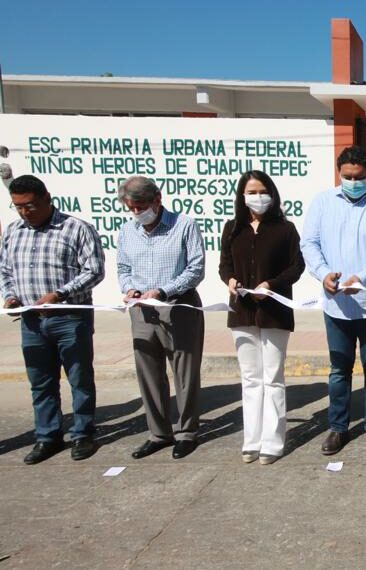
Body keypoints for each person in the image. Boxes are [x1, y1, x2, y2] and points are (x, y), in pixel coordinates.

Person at [300, 146, 366, 456]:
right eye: (347, 176)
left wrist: (363, 278)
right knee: (339, 369)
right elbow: (310, 243)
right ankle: (338, 427)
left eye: (359, 177)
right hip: (336, 305)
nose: (353, 181)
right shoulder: (322, 202)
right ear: (339, 173)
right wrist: (323, 274)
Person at [0, 175, 105, 464]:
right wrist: (10, 297)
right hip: (31, 321)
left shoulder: (76, 229)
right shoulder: (13, 232)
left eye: (30, 205)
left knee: (79, 378)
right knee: (41, 381)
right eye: (18, 207)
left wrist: (60, 294)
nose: (25, 212)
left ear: (47, 197)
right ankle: (48, 436)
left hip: (70, 317)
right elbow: (6, 270)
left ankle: (83, 433)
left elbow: (94, 270)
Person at [117, 175, 206, 459]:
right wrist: (129, 288)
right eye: (131, 207)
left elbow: (195, 268)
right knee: (149, 374)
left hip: (178, 307)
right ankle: (159, 433)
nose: (136, 212)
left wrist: (164, 291)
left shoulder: (184, 225)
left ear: (157, 199)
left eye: (141, 205)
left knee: (185, 373)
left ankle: (187, 432)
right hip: (142, 312)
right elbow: (122, 267)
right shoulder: (128, 231)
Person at [219, 170, 304, 465]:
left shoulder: (285, 228)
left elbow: (296, 267)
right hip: (241, 311)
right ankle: (251, 440)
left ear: (272, 193)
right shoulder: (232, 228)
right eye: (251, 192)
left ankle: (273, 441)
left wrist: (270, 285)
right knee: (250, 379)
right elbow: (224, 265)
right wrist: (230, 280)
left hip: (274, 311)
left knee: (273, 377)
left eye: (262, 191)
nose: (257, 197)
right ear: (242, 196)